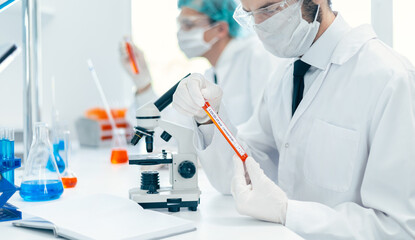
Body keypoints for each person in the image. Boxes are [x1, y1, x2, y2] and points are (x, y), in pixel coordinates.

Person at [171, 0, 415, 239]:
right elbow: (238, 175)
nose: (259, 25)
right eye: (249, 14)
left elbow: (399, 228)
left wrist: (289, 212)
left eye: (269, 9)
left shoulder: (390, 79)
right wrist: (208, 118)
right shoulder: (284, 78)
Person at [120, 0, 286, 128]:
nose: (181, 33)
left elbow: (264, 136)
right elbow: (172, 134)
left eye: (189, 25)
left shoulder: (257, 54)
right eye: (180, 24)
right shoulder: (211, 75)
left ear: (221, 28)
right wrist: (143, 84)